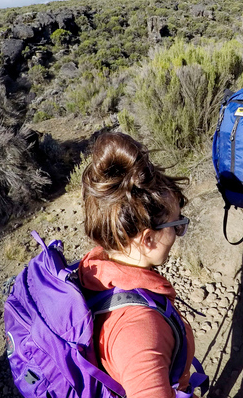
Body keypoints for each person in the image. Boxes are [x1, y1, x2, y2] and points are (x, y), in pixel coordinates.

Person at [78, 131, 195, 398]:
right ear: (148, 239)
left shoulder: (94, 269)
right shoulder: (141, 331)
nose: (178, 234)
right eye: (177, 225)